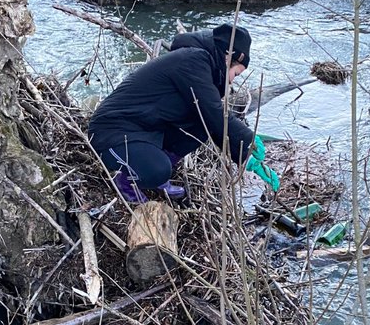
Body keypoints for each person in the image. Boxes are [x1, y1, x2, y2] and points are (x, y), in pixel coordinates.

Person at [88, 22, 280, 203]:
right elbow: (214, 111)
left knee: (200, 126)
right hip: (111, 133)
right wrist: (248, 139)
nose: (232, 81)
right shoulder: (193, 60)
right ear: (228, 57)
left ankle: (152, 173)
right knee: (158, 170)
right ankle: (125, 182)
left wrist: (246, 159)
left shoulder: (200, 64)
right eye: (236, 74)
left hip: (143, 130)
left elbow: (209, 121)